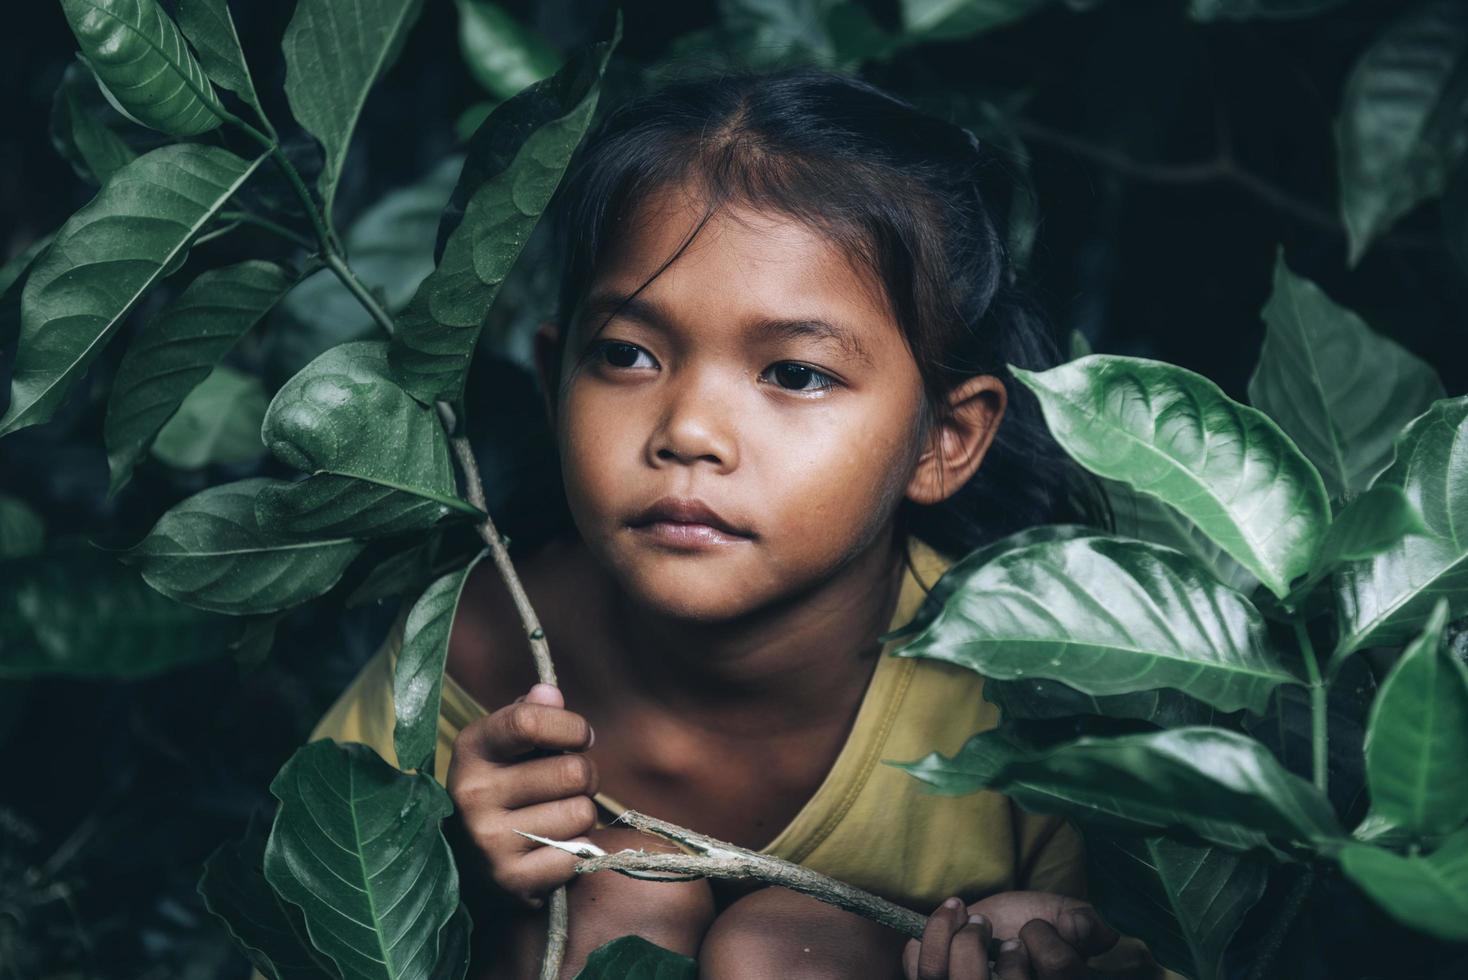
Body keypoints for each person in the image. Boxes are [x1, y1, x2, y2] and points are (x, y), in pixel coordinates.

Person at [307, 66, 1166, 979]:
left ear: (942, 439)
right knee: (618, 895)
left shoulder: (1028, 694)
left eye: (795, 373)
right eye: (629, 355)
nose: (688, 431)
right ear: (556, 386)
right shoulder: (470, 658)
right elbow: (304, 930)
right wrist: (446, 879)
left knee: (781, 953)